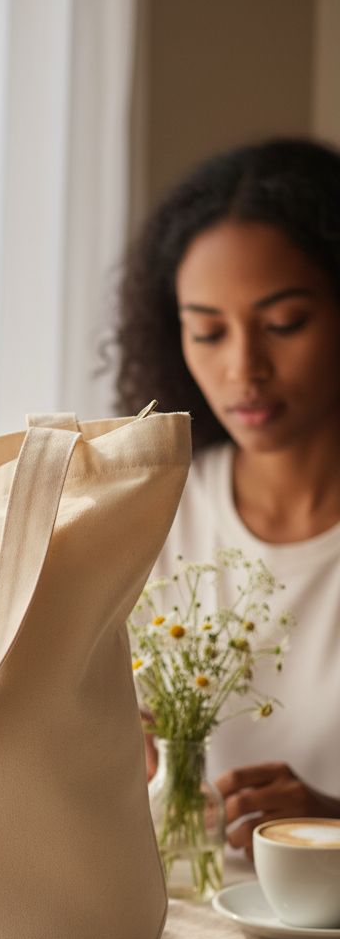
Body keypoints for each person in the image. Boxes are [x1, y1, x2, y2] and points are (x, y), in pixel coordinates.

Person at [114, 137, 340, 858]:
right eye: (207, 332)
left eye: (284, 325)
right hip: (180, 928)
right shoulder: (148, 511)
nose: (245, 368)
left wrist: (330, 824)